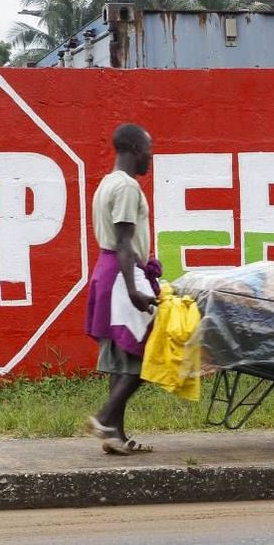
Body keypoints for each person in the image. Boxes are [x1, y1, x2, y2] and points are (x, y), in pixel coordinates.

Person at [84, 123, 159, 455]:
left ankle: (116, 436)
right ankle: (104, 417)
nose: (151, 157)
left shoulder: (107, 183)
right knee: (149, 353)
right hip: (122, 277)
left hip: (110, 272)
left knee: (123, 357)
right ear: (135, 150)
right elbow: (125, 241)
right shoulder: (127, 187)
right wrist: (132, 290)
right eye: (149, 149)